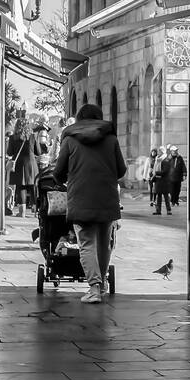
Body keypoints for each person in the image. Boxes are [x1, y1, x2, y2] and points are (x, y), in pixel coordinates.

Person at [51, 103, 126, 304]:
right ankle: (101, 286)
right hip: (107, 198)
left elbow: (57, 172)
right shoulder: (111, 139)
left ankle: (93, 288)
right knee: (104, 244)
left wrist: (66, 180)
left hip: (80, 198)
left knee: (86, 243)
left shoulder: (69, 140)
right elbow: (121, 170)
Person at [6, 120, 38, 216]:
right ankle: (35, 211)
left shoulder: (13, 138)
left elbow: (9, 153)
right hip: (31, 165)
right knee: (33, 187)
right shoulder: (32, 137)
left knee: (21, 187)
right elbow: (38, 152)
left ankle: (22, 212)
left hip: (19, 165)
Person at [153, 145, 174, 215]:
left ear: (162, 152)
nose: (158, 152)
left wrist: (156, 172)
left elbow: (165, 171)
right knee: (158, 196)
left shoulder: (165, 160)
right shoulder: (157, 159)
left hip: (164, 181)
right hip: (158, 180)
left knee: (166, 196)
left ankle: (169, 210)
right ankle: (158, 210)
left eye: (159, 151)